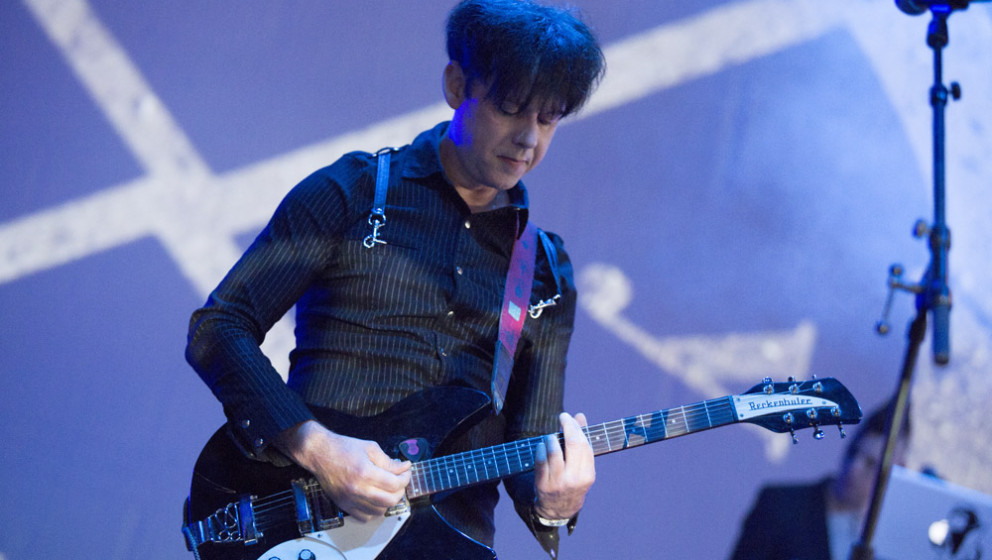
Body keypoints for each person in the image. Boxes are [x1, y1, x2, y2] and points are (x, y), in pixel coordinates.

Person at [185, 1, 606, 557]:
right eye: (510, 108)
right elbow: (219, 327)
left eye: (548, 119)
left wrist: (555, 501)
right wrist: (317, 448)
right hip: (302, 528)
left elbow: (529, 448)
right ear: (456, 85)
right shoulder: (353, 191)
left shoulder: (546, 271)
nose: (529, 138)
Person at [727, 400, 912, 560]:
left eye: (871, 464)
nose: (854, 468)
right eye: (853, 452)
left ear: (895, 473)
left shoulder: (895, 538)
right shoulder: (780, 505)